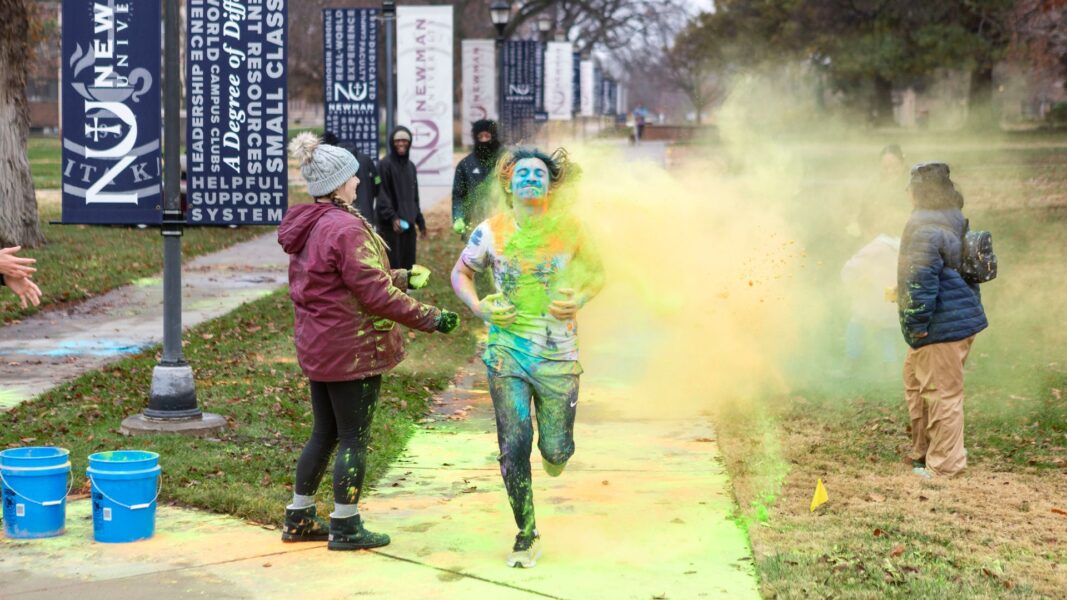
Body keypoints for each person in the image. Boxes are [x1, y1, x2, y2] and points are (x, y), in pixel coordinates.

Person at [278, 133, 460, 551]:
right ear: (339, 183)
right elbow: (372, 296)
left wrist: (400, 276)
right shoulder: (345, 227)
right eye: (353, 176)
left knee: (323, 433)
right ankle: (346, 523)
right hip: (351, 350)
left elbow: (341, 281)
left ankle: (300, 516)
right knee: (353, 438)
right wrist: (431, 317)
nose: (360, 181)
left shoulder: (312, 223)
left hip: (320, 346)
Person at [450, 147, 604, 568]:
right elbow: (460, 273)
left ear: (551, 185)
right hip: (506, 353)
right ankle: (526, 533)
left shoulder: (572, 230)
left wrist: (582, 297)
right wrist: (480, 306)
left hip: (559, 358)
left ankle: (556, 455)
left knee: (555, 451)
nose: (531, 179)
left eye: (539, 174)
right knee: (513, 444)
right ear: (509, 183)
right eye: (523, 173)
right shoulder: (490, 231)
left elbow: (598, 270)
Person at [897, 162, 987, 479]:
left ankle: (945, 467)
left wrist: (917, 322)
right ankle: (923, 452)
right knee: (917, 384)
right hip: (953, 321)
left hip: (939, 327)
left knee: (942, 394)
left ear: (919, 192)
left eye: (909, 187)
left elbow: (922, 280)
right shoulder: (950, 219)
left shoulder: (924, 227)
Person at [377, 126, 424, 270]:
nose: (401, 144)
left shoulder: (411, 166)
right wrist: (393, 218)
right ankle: (391, 293)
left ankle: (406, 292)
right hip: (391, 226)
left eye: (405, 140)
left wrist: (420, 221)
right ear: (392, 142)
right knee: (393, 266)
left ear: (409, 143)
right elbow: (381, 193)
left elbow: (414, 196)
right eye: (397, 140)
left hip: (408, 225)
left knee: (408, 265)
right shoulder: (384, 164)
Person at [451, 119, 503, 239]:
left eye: (487, 136)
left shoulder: (505, 161)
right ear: (475, 138)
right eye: (480, 136)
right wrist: (458, 217)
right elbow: (458, 195)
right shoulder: (465, 165)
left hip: (501, 225)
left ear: (493, 136)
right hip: (474, 226)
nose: (484, 140)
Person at [321, 131, 381, 231]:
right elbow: (378, 181)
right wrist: (372, 193)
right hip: (367, 216)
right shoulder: (367, 160)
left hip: (340, 218)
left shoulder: (334, 163)